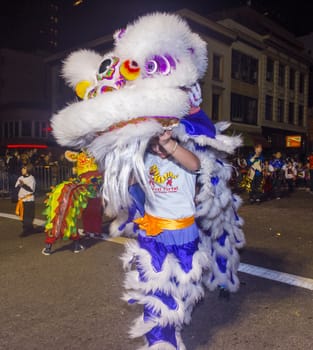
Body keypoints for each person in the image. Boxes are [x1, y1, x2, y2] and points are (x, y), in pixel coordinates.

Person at [128, 130, 201, 348]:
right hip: (153, 235)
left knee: (181, 290)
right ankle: (160, 342)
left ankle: (173, 325)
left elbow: (195, 165)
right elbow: (130, 183)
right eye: (153, 143)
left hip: (184, 236)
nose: (157, 149)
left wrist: (169, 144)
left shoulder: (185, 154)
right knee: (156, 294)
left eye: (161, 143)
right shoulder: (144, 158)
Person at [15, 164, 36, 236]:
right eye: (22, 168)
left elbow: (31, 190)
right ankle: (29, 228)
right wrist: (19, 185)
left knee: (28, 215)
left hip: (28, 200)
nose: (22, 170)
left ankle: (26, 230)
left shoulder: (31, 178)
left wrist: (23, 185)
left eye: (24, 169)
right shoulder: (20, 177)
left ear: (28, 170)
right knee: (22, 215)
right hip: (22, 200)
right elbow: (16, 187)